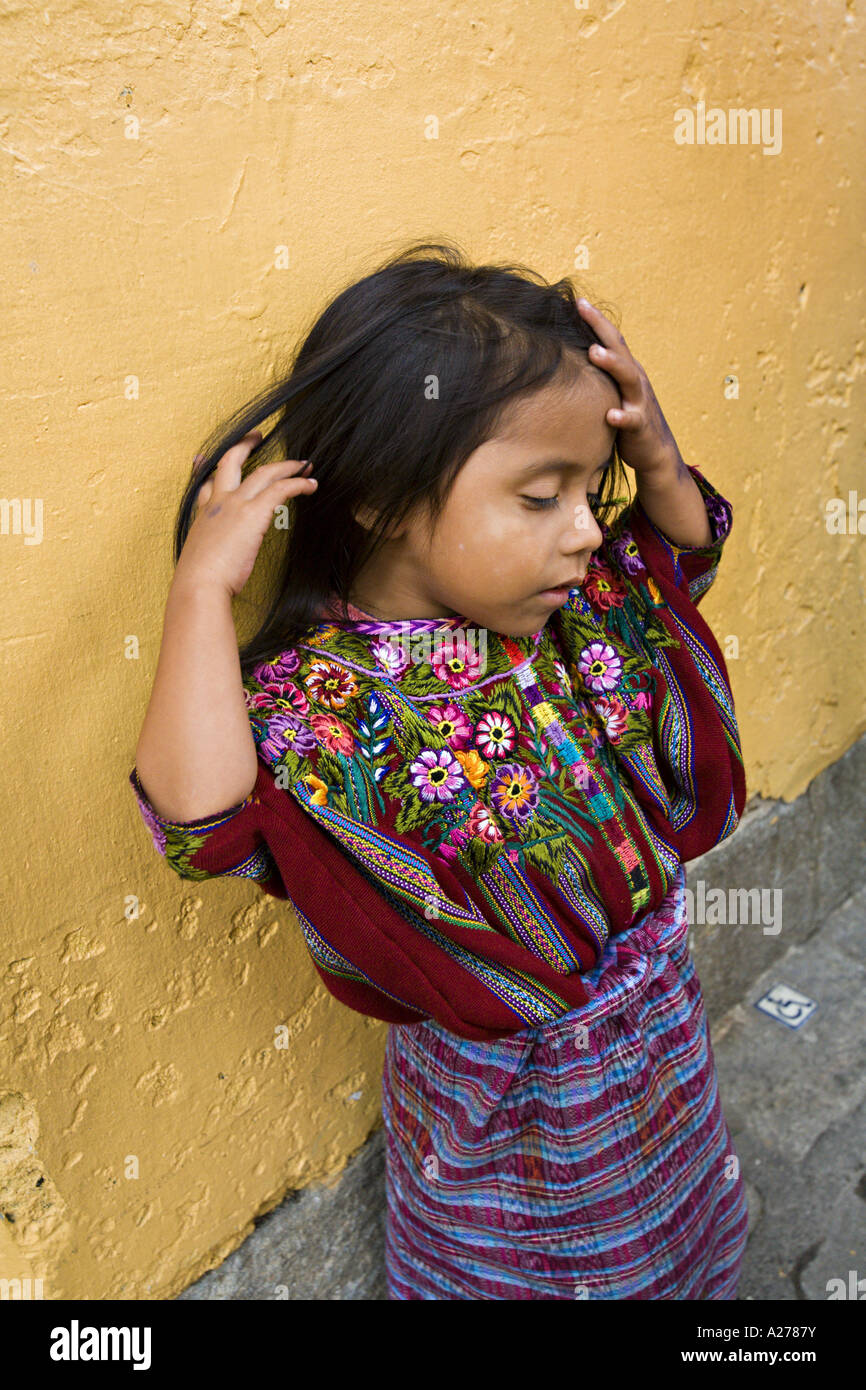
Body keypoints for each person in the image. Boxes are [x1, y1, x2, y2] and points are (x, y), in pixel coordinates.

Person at [129, 239, 749, 1299]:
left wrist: (651, 457)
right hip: (511, 1107)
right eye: (539, 496)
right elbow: (205, 826)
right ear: (379, 496)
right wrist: (199, 596)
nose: (581, 536)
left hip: (658, 1034)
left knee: (676, 1260)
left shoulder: (559, 604)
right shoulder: (318, 698)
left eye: (587, 492)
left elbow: (676, 560)